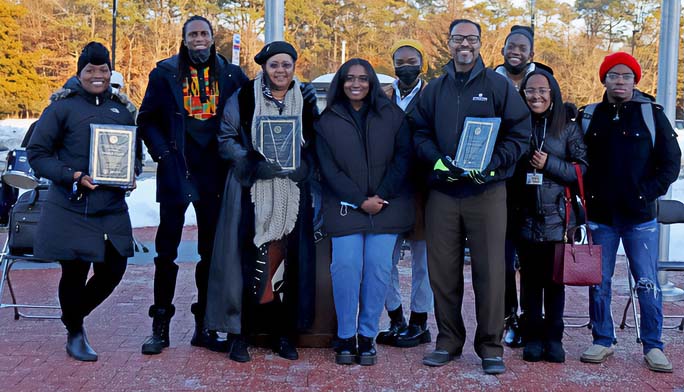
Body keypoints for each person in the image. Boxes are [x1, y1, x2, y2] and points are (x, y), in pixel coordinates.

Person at [410, 19, 530, 374]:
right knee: (442, 272)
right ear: (448, 43)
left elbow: (519, 134)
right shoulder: (434, 89)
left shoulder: (498, 85)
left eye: (471, 38)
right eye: (458, 38)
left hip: (487, 192)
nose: (465, 44)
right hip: (445, 193)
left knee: (491, 271)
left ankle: (490, 346)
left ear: (480, 44)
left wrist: (493, 164)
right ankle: (448, 340)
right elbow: (418, 131)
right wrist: (438, 160)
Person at [137, 15, 249, 355]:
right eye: (193, 34)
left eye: (204, 34)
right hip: (176, 169)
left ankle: (204, 326)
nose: (199, 39)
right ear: (184, 39)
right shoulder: (165, 73)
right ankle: (161, 326)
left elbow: (253, 107)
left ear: (213, 38)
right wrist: (162, 154)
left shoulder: (231, 75)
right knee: (166, 252)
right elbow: (147, 120)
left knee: (210, 253)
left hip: (213, 173)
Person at [205, 41, 319, 362]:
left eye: (286, 65)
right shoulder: (243, 98)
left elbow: (315, 141)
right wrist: (251, 161)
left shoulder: (305, 98)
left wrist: (303, 165)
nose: (280, 71)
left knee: (284, 259)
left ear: (294, 66)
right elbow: (225, 138)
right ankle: (240, 334)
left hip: (291, 193)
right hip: (249, 192)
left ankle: (281, 333)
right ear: (264, 68)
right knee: (245, 259)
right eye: (274, 65)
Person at [26, 42, 137, 362]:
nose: (98, 76)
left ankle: (71, 315)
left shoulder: (123, 108)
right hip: (71, 205)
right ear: (80, 73)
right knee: (74, 272)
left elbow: (135, 155)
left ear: (110, 72)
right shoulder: (62, 108)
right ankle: (75, 332)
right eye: (91, 70)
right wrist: (71, 175)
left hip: (111, 205)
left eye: (103, 70)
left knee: (114, 269)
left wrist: (130, 174)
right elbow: (37, 154)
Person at [579, 52, 681, 373]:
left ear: (635, 80)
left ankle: (653, 345)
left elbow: (670, 162)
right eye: (613, 75)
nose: (619, 81)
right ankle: (602, 339)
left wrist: (645, 193)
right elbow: (578, 162)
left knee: (647, 282)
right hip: (601, 217)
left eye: (626, 76)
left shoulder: (651, 115)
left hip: (641, 219)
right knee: (600, 282)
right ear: (604, 79)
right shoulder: (588, 116)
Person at [316, 58, 414, 366]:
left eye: (362, 78)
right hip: (346, 207)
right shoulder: (327, 120)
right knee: (345, 267)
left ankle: (367, 336)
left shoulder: (393, 116)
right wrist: (360, 200)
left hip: (387, 206)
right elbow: (327, 169)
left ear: (371, 83)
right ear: (340, 83)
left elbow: (403, 159)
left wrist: (381, 195)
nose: (355, 84)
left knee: (377, 268)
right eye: (349, 78)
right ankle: (346, 336)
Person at [512, 69, 587, 363]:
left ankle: (554, 338)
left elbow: (581, 169)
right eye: (531, 90)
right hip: (524, 216)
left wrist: (550, 163)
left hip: (558, 218)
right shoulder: (516, 124)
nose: (536, 96)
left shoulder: (568, 127)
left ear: (552, 93)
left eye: (543, 90)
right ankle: (531, 336)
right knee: (529, 283)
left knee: (555, 283)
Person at [376, 39, 433, 348]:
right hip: (391, 190)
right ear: (394, 65)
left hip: (426, 191)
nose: (406, 66)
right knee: (384, 259)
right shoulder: (382, 98)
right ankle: (396, 318)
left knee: (424, 262)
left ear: (421, 64)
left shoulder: (434, 96)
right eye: (401, 61)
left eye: (412, 60)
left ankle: (420, 322)